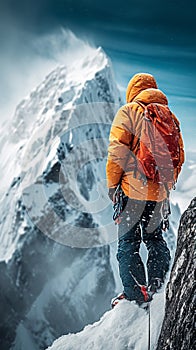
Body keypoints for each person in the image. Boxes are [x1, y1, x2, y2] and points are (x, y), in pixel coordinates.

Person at [106, 73, 184, 307]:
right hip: (160, 196)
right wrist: (165, 186)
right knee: (155, 239)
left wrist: (112, 186)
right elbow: (179, 158)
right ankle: (158, 286)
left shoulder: (128, 112)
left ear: (133, 91)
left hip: (132, 193)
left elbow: (117, 153)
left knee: (128, 242)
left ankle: (136, 295)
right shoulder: (171, 117)